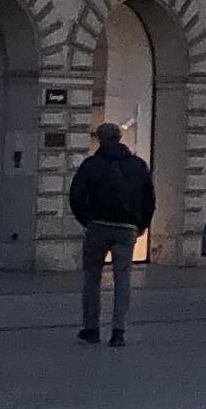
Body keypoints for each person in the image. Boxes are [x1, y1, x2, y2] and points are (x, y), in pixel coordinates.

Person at [69, 116, 157, 346]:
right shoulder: (138, 165)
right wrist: (141, 225)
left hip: (97, 225)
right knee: (123, 279)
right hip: (127, 227)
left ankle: (91, 328)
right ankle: (119, 331)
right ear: (119, 139)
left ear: (100, 140)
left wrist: (86, 220)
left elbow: (76, 196)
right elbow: (149, 198)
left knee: (92, 278)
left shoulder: (91, 164)